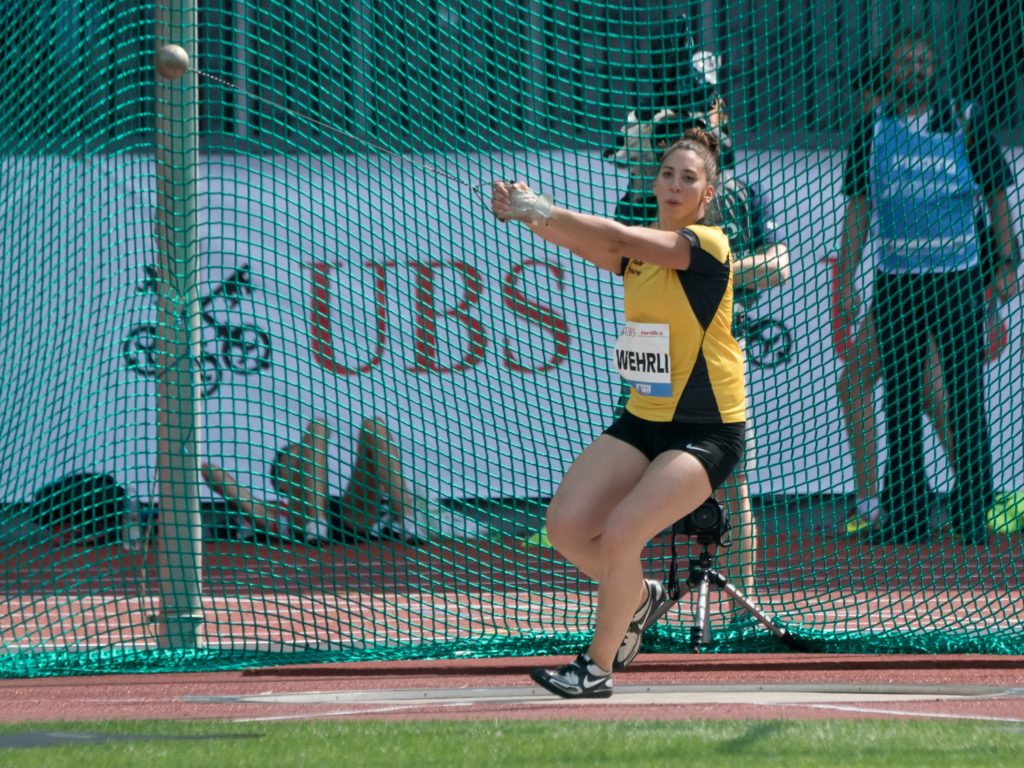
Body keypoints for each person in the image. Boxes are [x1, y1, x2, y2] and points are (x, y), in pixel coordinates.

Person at [490, 127, 746, 699]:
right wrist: (529, 215)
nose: (675, 184)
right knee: (565, 527)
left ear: (707, 194)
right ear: (655, 183)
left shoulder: (706, 246)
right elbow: (590, 243)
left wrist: (545, 206)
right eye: (668, 174)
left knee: (624, 531)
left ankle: (596, 668)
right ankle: (638, 598)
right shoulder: (639, 256)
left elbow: (615, 233)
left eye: (689, 178)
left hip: (707, 431)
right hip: (644, 420)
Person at [836, 29, 1020, 545]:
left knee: (962, 395)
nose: (915, 68)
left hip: (957, 279)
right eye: (905, 61)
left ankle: (972, 509)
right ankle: (905, 513)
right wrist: (847, 278)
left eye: (923, 60)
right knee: (901, 396)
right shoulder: (871, 130)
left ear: (935, 67)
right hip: (896, 280)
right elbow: (858, 211)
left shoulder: (965, 119)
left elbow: (998, 195)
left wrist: (1008, 261)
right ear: (890, 72)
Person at [201, 416, 424, 546]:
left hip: (348, 517)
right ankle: (314, 523)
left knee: (374, 426)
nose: (304, 460)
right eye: (296, 460)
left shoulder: (335, 498)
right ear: (280, 484)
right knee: (317, 428)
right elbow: (212, 473)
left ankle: (406, 517)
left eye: (304, 456)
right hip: (302, 520)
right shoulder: (271, 513)